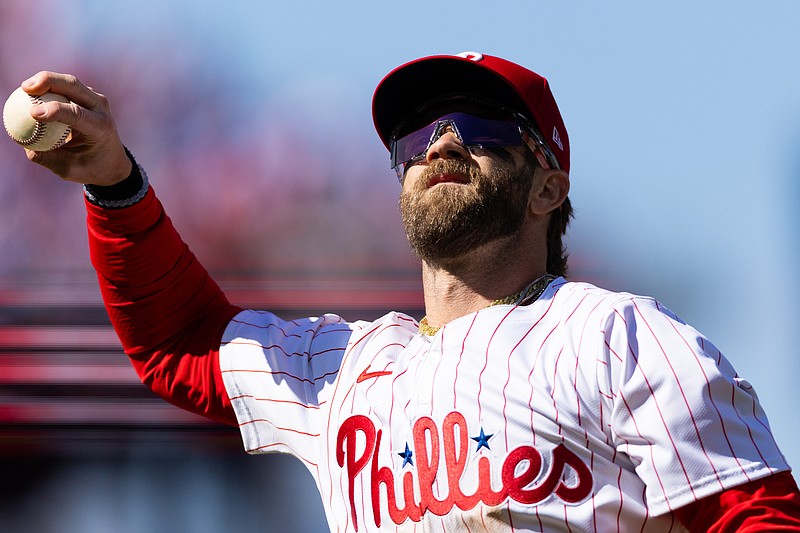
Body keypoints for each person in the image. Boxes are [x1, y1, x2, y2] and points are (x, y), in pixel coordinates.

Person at [17, 52, 800, 532]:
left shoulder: (618, 336)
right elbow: (180, 344)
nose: (443, 140)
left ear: (547, 186)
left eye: (483, 125)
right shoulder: (338, 367)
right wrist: (115, 186)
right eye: (417, 132)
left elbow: (757, 518)